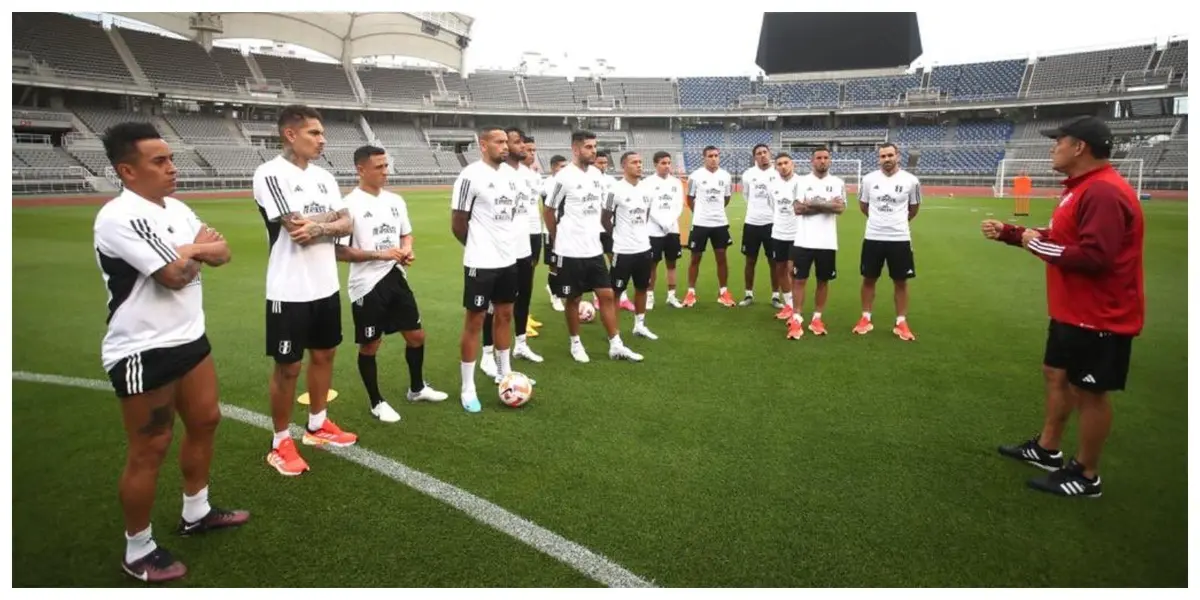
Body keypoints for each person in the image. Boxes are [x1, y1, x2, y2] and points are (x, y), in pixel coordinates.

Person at [94, 122, 247, 583]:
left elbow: (223, 252)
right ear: (128, 171)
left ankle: (196, 512)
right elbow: (175, 276)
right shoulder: (120, 216)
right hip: (143, 348)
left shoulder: (177, 208)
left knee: (206, 421)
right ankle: (138, 549)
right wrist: (196, 251)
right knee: (151, 446)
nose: (172, 168)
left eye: (171, 159)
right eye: (159, 161)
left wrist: (188, 248)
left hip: (189, 337)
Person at [983, 116, 1144, 498]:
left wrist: (1034, 244)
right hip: (1073, 310)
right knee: (1056, 374)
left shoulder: (1103, 192)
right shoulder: (1081, 189)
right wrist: (1012, 234)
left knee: (1090, 392)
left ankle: (1087, 475)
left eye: (1059, 141)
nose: (1053, 147)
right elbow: (1063, 237)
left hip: (1100, 314)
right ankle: (1047, 449)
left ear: (1080, 147)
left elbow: (1095, 256)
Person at [253, 105, 357, 477]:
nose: (322, 140)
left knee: (325, 354)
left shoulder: (324, 177)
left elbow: (349, 222)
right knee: (289, 367)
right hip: (289, 288)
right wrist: (329, 221)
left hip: (325, 284)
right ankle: (281, 441)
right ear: (290, 134)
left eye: (322, 133)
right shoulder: (270, 174)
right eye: (314, 133)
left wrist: (321, 225)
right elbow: (295, 228)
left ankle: (317, 424)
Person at [335, 145, 449, 423]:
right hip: (366, 285)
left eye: (386, 165)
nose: (386, 171)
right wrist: (381, 254)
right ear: (361, 169)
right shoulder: (348, 205)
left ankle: (417, 388)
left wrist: (406, 249)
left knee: (416, 336)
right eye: (379, 167)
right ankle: (376, 402)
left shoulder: (396, 200)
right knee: (370, 345)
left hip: (395, 277)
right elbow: (340, 252)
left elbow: (406, 234)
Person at [543, 130, 644, 363]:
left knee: (607, 295)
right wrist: (557, 238)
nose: (593, 151)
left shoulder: (597, 175)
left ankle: (615, 344)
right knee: (574, 299)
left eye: (594, 146)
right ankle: (575, 344)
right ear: (576, 149)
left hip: (593, 249)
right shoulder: (563, 177)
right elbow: (548, 210)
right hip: (569, 250)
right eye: (588, 147)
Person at [451, 126, 520, 413]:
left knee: (504, 315)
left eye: (506, 142)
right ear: (483, 145)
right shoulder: (470, 176)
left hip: (508, 260)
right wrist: (478, 246)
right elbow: (458, 222)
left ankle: (505, 374)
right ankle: (468, 387)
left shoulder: (511, 177)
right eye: (498, 141)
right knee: (475, 321)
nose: (505, 146)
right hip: (480, 262)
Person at [479, 127, 544, 378]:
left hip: (524, 245)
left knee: (523, 297)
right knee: (494, 306)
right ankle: (487, 353)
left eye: (520, 142)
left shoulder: (529, 175)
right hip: (499, 250)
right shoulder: (497, 173)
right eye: (515, 142)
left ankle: (521, 344)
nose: (520, 146)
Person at [854, 142, 920, 341]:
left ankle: (901, 321)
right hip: (873, 236)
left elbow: (914, 208)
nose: (887, 159)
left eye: (890, 155)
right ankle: (865, 317)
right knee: (869, 278)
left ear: (897, 156)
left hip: (899, 238)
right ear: (879, 159)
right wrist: (878, 221)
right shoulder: (868, 180)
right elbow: (863, 206)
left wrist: (898, 222)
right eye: (883, 156)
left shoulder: (911, 181)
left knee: (901, 281)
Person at [787, 147, 847, 339]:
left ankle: (817, 318)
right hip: (804, 240)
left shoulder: (838, 183)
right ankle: (796, 318)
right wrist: (828, 205)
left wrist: (813, 203)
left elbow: (840, 209)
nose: (822, 161)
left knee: (823, 281)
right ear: (812, 161)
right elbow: (798, 209)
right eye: (818, 158)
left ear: (830, 160)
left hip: (827, 242)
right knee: (799, 280)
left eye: (826, 157)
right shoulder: (802, 182)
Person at [603, 151, 658, 340]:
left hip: (644, 248)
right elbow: (605, 218)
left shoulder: (647, 189)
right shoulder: (614, 190)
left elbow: (646, 215)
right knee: (616, 292)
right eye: (634, 162)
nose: (639, 165)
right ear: (623, 166)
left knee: (642, 288)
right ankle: (614, 332)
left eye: (640, 162)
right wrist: (617, 235)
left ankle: (639, 325)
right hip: (623, 250)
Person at [684, 145, 735, 307]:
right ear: (704, 158)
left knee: (721, 257)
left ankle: (723, 292)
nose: (714, 159)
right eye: (710, 156)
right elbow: (689, 198)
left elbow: (727, 198)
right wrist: (700, 212)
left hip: (720, 223)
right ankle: (691, 292)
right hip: (700, 223)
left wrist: (716, 211)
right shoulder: (695, 176)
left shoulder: (726, 176)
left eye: (716, 155)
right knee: (695, 258)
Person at [739, 144, 781, 307]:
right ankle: (748, 294)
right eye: (759, 153)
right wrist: (757, 210)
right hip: (752, 223)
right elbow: (746, 195)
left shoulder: (777, 173)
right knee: (750, 260)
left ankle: (776, 296)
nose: (762, 155)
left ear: (770, 154)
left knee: (774, 261)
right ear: (754, 157)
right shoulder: (748, 174)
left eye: (765, 152)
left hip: (772, 223)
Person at [645, 151, 685, 309]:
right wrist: (661, 222)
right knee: (652, 264)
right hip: (653, 230)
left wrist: (670, 222)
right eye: (663, 163)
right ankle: (649, 296)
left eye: (669, 163)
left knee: (672, 263)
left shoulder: (676, 183)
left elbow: (679, 205)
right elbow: (648, 207)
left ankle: (671, 296)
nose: (667, 166)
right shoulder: (647, 182)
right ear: (655, 164)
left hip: (672, 229)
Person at [768, 153, 801, 321]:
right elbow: (772, 206)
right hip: (778, 233)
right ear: (776, 167)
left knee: (791, 269)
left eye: (786, 163)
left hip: (797, 234)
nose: (783, 166)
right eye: (779, 164)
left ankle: (796, 306)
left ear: (792, 164)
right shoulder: (772, 185)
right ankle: (789, 304)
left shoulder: (802, 183)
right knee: (779, 268)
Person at [519, 134, 545, 334]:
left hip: (536, 231)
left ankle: (525, 314)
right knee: (520, 277)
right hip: (521, 232)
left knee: (530, 275)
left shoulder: (535, 176)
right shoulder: (513, 174)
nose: (532, 154)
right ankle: (520, 319)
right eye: (528, 150)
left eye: (534, 150)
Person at [541, 154, 569, 312]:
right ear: (553, 167)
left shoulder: (569, 182)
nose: (565, 170)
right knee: (554, 265)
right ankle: (555, 296)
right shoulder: (548, 184)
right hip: (551, 230)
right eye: (561, 166)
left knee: (566, 264)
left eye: (566, 166)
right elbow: (548, 210)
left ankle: (560, 289)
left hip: (568, 231)